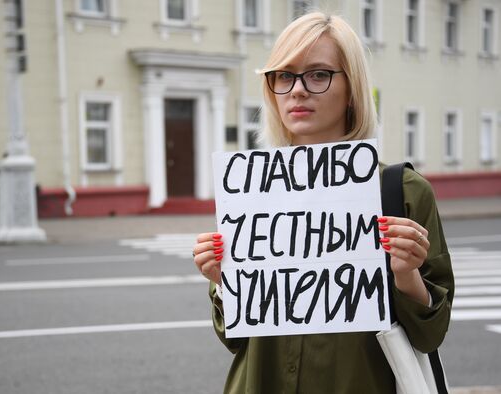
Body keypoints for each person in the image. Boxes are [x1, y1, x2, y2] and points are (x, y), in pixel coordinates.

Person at [192, 11, 454, 393]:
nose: (297, 90)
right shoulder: (249, 190)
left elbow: (430, 335)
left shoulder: (403, 191)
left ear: (352, 89)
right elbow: (235, 340)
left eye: (318, 74)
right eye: (284, 75)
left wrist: (406, 275)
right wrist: (223, 282)